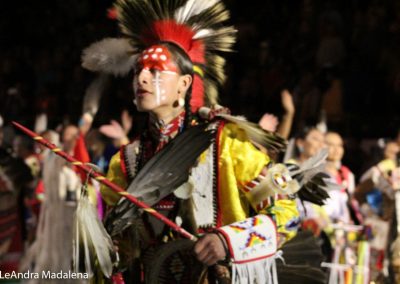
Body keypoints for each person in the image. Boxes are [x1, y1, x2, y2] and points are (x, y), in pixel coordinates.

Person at [81, 0, 330, 283]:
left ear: (184, 85)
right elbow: (121, 247)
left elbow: (289, 210)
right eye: (138, 70)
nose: (143, 78)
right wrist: (106, 250)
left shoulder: (227, 144)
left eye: (156, 70)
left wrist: (228, 241)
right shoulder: (124, 161)